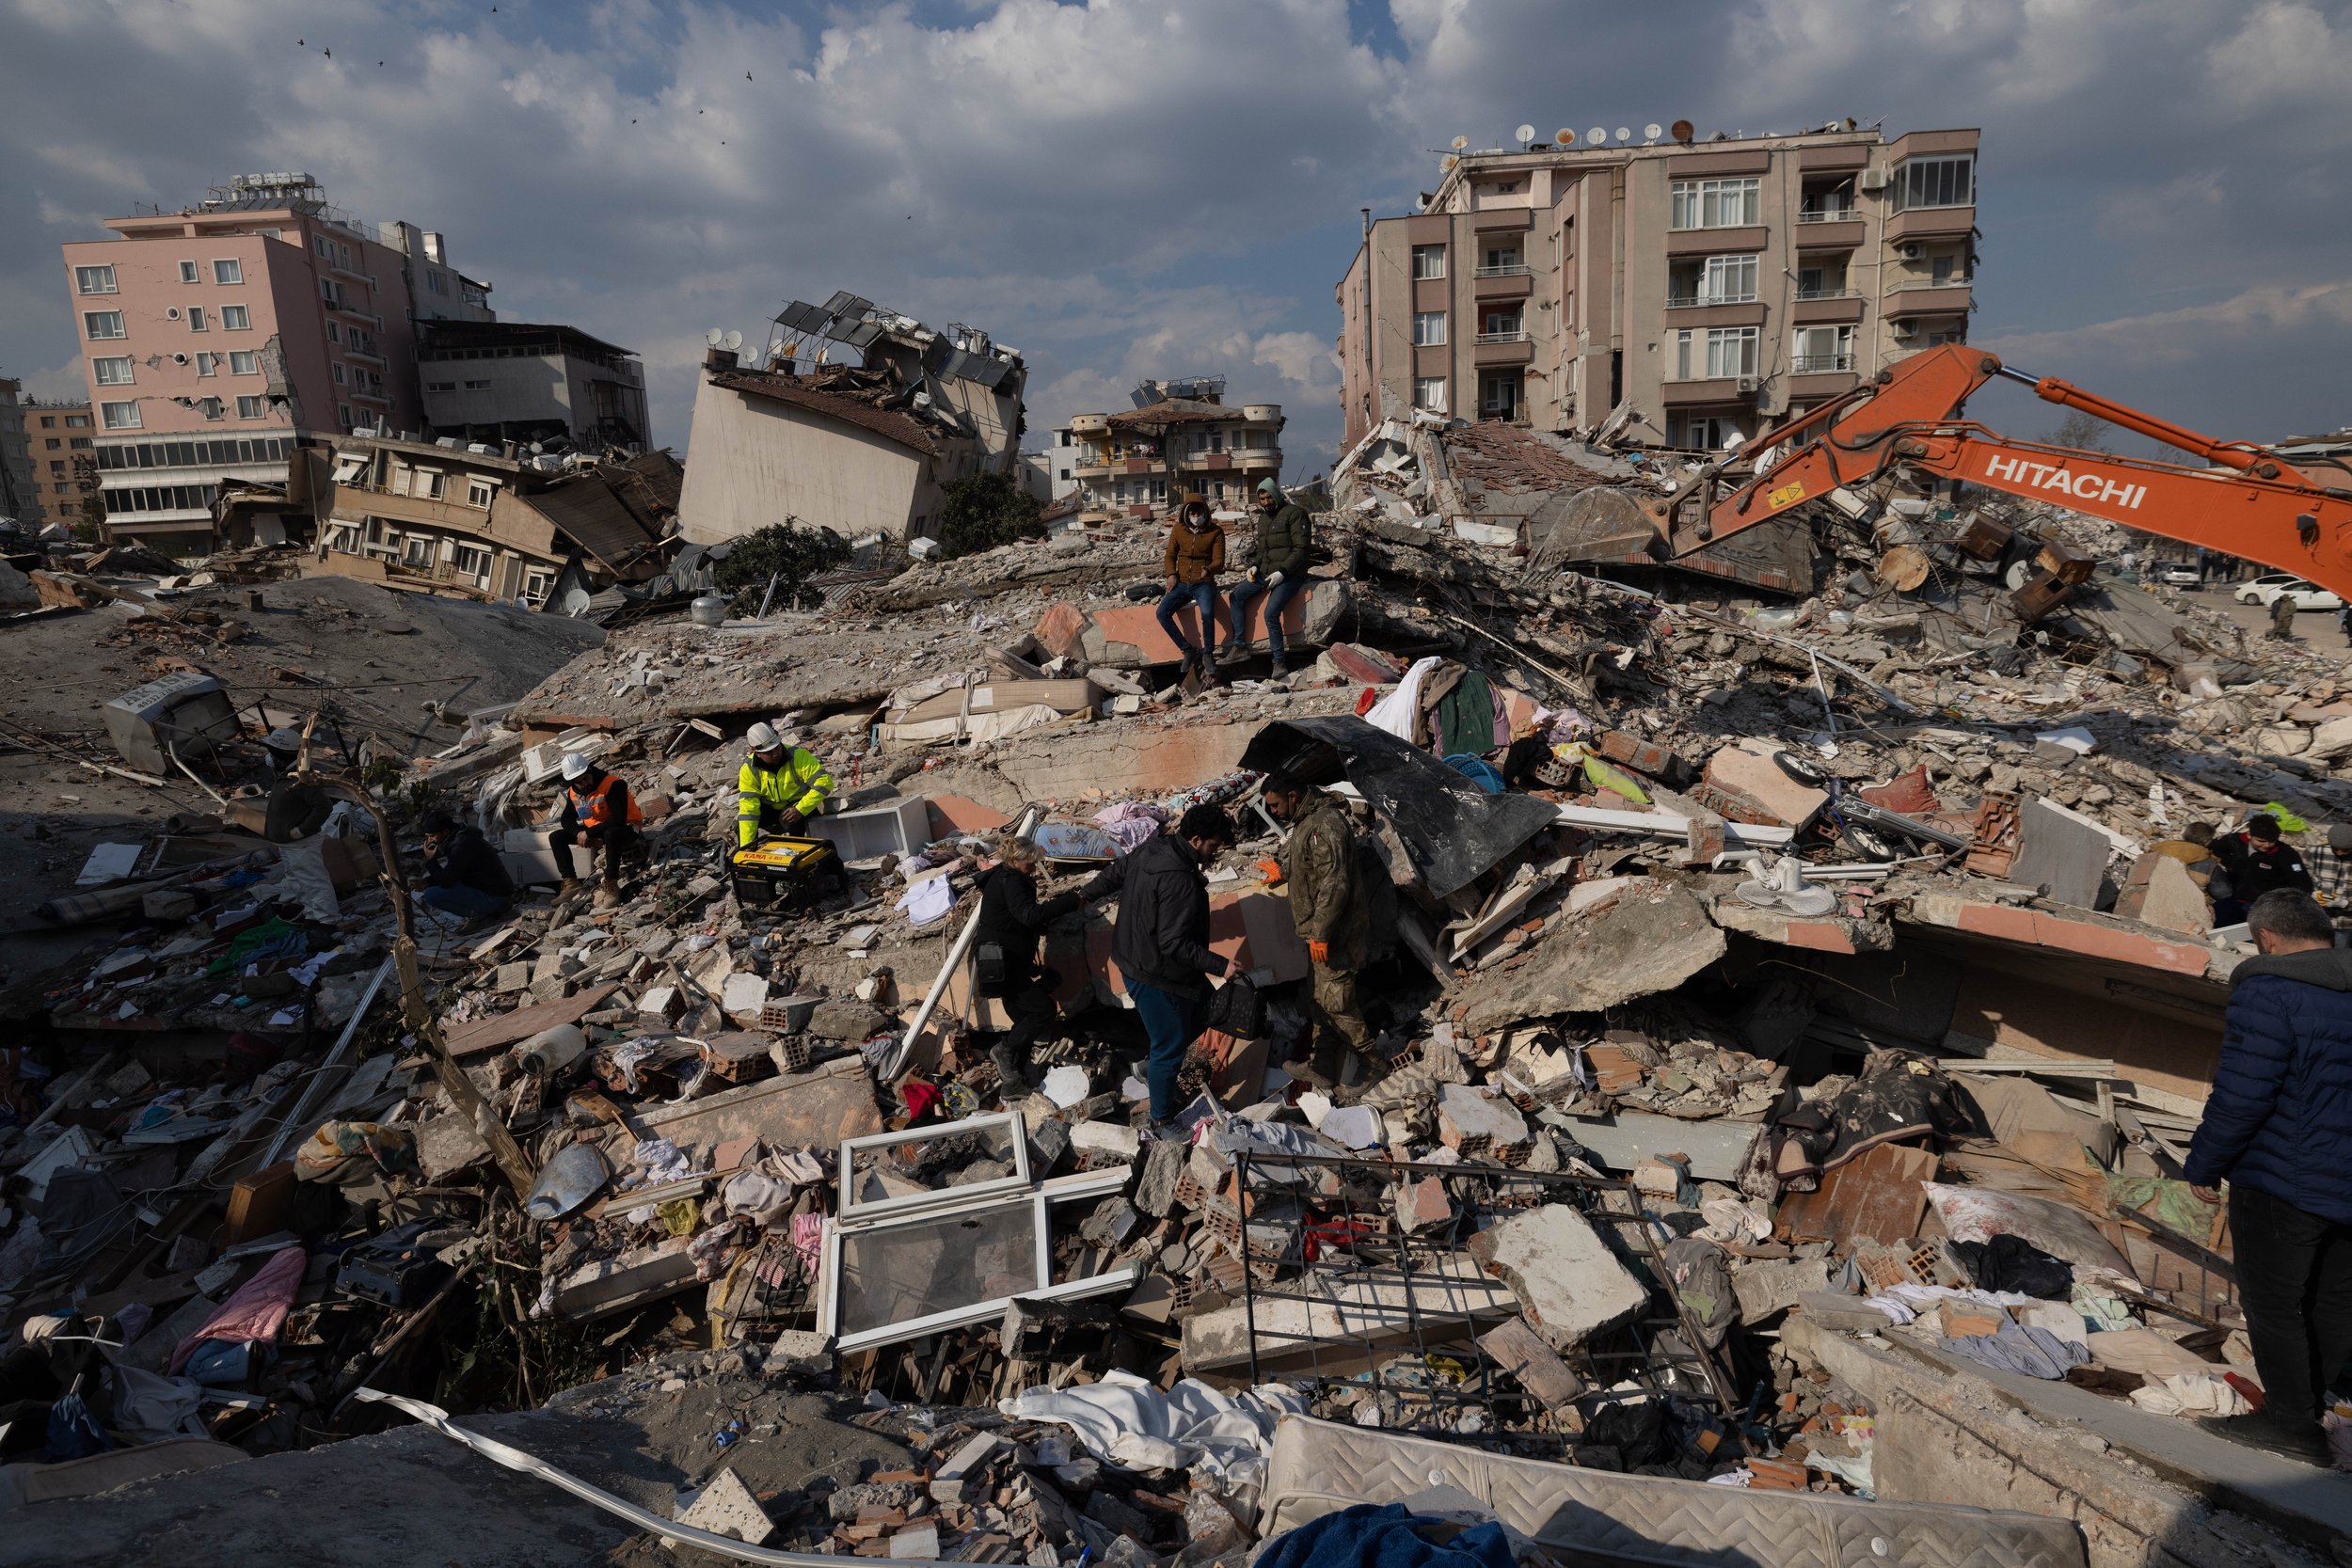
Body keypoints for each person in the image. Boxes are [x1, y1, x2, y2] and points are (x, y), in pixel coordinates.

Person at [2184, 890, 2352, 1466]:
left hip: (2282, 1176)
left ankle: (2292, 1425)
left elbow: (2243, 1094)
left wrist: (2205, 1161)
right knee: (2334, 1299)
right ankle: (2311, 1405)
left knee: (2275, 1302)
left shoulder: (2270, 989)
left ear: (2267, 939)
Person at [1075, 804, 1240, 1132]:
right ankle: (1162, 1120)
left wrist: (1085, 894)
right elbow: (1173, 943)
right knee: (1171, 1045)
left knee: (1211, 1009)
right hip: (1156, 973)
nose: (1213, 853)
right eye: (1212, 846)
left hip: (1139, 957)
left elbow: (1117, 871)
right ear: (1195, 839)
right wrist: (1222, 966)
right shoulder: (1180, 881)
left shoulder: (1154, 847)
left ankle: (1151, 1068)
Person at [1261, 770, 1381, 1096]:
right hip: (1320, 933)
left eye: (1274, 805)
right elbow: (1309, 865)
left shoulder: (1325, 823)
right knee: (1320, 1000)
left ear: (1293, 797)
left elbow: (1335, 883)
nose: (1272, 812)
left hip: (1336, 934)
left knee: (1338, 1002)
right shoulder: (1306, 822)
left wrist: (1321, 932)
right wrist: (1282, 871)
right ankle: (1322, 1066)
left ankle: (1372, 1061)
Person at [971, 834, 1085, 1094]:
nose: (1033, 868)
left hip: (1003, 959)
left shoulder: (1005, 877)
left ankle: (1014, 1084)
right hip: (1002, 960)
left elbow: (1013, 921)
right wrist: (1070, 902)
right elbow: (1027, 915)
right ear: (1014, 859)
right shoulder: (1010, 881)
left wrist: (1032, 967)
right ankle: (1004, 1050)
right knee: (1042, 1010)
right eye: (1029, 863)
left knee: (1023, 1019)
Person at [1224, 478, 1311, 678]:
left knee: (1271, 613)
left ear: (1276, 494)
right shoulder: (1263, 519)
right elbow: (1262, 550)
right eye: (1262, 498)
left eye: (1268, 497)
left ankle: (1279, 663)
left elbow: (1301, 550)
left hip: (1290, 574)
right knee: (1236, 596)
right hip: (1266, 571)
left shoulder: (1295, 514)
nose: (1266, 501)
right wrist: (1255, 566)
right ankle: (1239, 647)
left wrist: (1282, 572)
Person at [551, 752, 642, 908]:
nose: (584, 784)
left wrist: (588, 833)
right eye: (578, 782)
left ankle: (612, 884)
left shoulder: (613, 784)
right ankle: (570, 882)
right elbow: (566, 819)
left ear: (590, 771)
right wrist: (579, 833)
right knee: (556, 837)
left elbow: (618, 818)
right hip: (596, 830)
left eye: (585, 778)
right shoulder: (574, 792)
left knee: (610, 833)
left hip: (626, 828)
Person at [1155, 493, 1226, 685]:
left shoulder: (1216, 532)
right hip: (1182, 583)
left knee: (1207, 612)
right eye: (1192, 511)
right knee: (1162, 613)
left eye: (1199, 511)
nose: (1195, 515)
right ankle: (1187, 649)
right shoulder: (1179, 529)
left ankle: (1208, 654)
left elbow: (1220, 561)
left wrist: (1209, 569)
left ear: (1205, 511)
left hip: (1203, 583)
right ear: (1186, 512)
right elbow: (1170, 555)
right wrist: (1171, 574)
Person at [735, 722, 834, 848]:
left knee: (790, 820)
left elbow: (824, 782)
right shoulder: (749, 770)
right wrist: (745, 848)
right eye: (769, 752)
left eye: (777, 747)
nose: (776, 754)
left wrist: (800, 809)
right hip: (772, 809)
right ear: (756, 752)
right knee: (742, 825)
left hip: (798, 805)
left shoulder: (798, 756)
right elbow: (748, 809)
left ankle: (797, 852)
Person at [415, 809, 514, 927]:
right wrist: (427, 882)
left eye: (432, 836)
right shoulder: (462, 839)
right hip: (494, 892)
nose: (429, 841)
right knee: (435, 887)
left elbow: (446, 881)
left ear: (445, 832)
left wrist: (431, 860)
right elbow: (454, 873)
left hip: (494, 897)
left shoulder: (461, 845)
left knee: (432, 894)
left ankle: (480, 916)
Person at [2212, 813, 2314, 925]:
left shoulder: (2286, 854)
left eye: (2272, 841)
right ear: (2249, 835)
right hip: (2233, 899)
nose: (2267, 845)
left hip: (2264, 907)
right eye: (2261, 841)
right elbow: (2212, 849)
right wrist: (2231, 863)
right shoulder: (2235, 841)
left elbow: (2303, 885)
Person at [260, 727, 332, 844]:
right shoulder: (286, 774)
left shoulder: (302, 779)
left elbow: (324, 807)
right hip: (286, 843)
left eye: (272, 755)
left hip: (300, 847)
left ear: (280, 757)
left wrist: (300, 832)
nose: (269, 757)